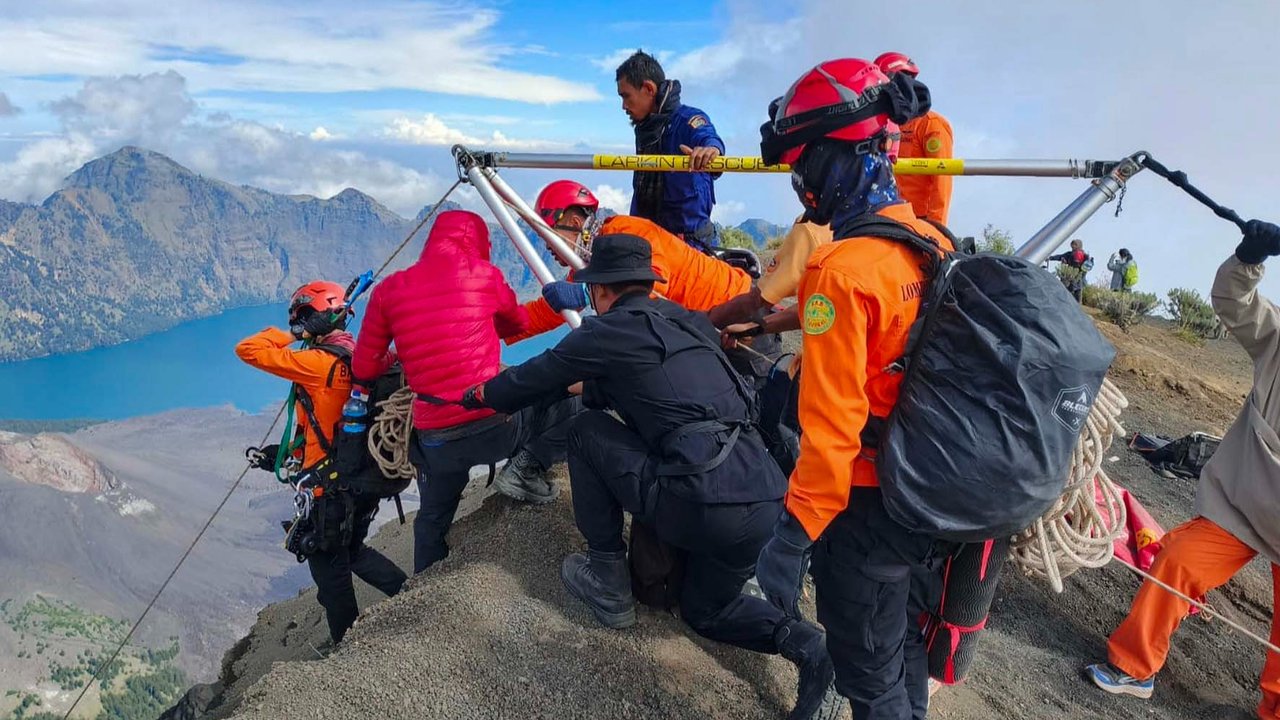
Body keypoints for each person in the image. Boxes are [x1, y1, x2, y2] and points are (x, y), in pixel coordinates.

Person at [462, 233, 840, 720]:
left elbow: (528, 378)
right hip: (766, 500)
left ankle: (607, 581)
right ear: (646, 282)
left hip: (699, 502)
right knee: (706, 611)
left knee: (584, 431)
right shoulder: (687, 321)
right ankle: (810, 646)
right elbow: (649, 383)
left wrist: (478, 396)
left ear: (600, 290)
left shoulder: (604, 332)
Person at [751, 58, 953, 720]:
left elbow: (833, 429)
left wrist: (793, 535)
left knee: (867, 677)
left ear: (839, 153)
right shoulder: (931, 242)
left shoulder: (839, 273)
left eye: (802, 162)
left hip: (866, 507)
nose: (800, 183)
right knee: (902, 648)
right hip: (927, 491)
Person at [1086, 220, 1280, 719]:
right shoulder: (1277, 340)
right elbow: (1233, 302)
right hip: (1241, 508)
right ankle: (1134, 667)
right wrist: (1248, 258)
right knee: (1177, 560)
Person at [349, 210, 580, 574]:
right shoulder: (485, 275)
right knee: (577, 400)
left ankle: (423, 590)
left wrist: (399, 353)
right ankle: (525, 468)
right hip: (496, 429)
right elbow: (517, 323)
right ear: (478, 242)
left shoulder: (388, 291)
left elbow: (364, 368)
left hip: (436, 443)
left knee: (431, 520)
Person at [236, 281, 406, 644]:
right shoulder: (361, 358)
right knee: (354, 550)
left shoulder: (318, 362)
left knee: (330, 574)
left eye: (301, 317)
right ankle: (413, 596)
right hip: (360, 478)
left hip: (327, 490)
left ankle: (347, 646)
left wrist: (292, 334)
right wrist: (286, 454)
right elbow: (329, 424)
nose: (297, 324)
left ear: (313, 318)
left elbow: (248, 349)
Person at [513, 179, 781, 385]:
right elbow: (552, 309)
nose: (546, 247)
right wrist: (499, 324)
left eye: (548, 235)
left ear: (573, 222)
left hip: (738, 313)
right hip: (709, 326)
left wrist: (586, 292)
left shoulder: (627, 232)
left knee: (763, 414)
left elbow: (651, 285)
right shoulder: (594, 259)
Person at [616, 50, 726, 251]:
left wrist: (711, 150)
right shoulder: (646, 128)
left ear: (649, 89)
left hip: (690, 247)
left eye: (626, 96)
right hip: (649, 241)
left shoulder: (687, 119)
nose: (623, 106)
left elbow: (708, 136)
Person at [875, 52, 954, 225]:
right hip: (885, 218)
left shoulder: (931, 124)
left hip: (920, 221)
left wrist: (936, 228)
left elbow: (942, 180)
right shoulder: (882, 125)